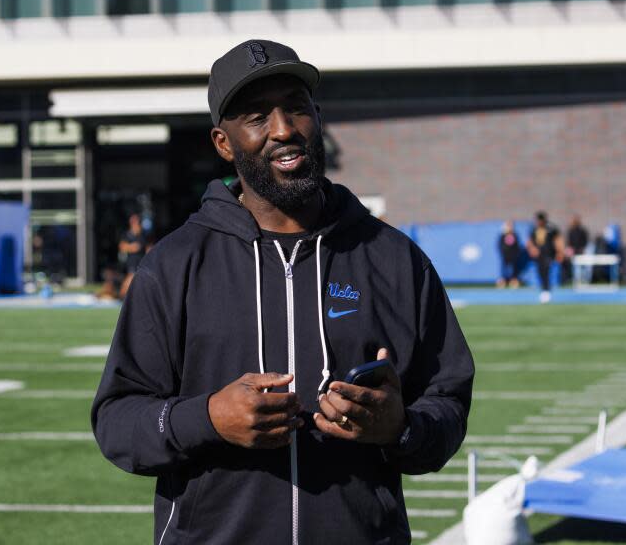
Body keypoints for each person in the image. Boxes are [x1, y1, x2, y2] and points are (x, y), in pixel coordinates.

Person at [91, 39, 475, 544]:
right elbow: (118, 421)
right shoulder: (175, 263)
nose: (283, 130)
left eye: (296, 108)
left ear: (317, 117)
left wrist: (399, 427)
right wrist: (207, 418)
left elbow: (447, 402)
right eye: (256, 117)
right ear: (223, 144)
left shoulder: (394, 258)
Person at [526, 211, 564, 303]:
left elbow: (558, 240)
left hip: (549, 254)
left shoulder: (551, 228)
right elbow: (530, 241)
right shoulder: (534, 228)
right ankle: (544, 289)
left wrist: (560, 252)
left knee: (547, 271)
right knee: (540, 271)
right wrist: (532, 249)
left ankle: (546, 290)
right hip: (539, 255)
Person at [117, 213, 148, 299]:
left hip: (142, 260)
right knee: (130, 277)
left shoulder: (143, 234)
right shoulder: (127, 234)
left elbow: (148, 246)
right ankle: (121, 295)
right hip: (132, 260)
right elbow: (122, 246)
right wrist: (132, 247)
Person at [496, 220, 521, 288]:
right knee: (504, 268)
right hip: (505, 255)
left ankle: (513, 280)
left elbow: (517, 245)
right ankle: (503, 281)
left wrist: (516, 253)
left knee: (514, 268)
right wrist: (503, 252)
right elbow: (500, 245)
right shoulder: (503, 235)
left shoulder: (514, 235)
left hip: (513, 255)